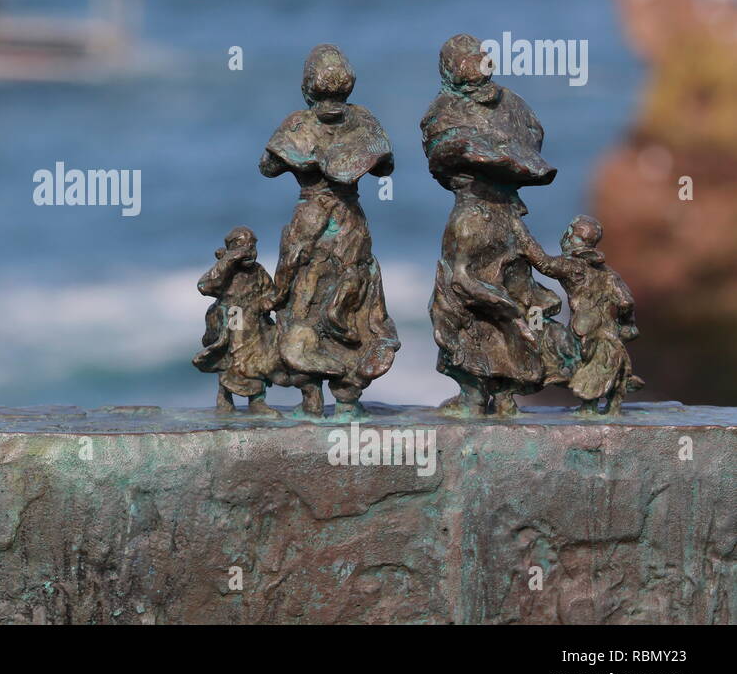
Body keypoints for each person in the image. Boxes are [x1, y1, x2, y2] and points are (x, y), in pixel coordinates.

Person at [421, 34, 575, 416]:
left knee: (458, 298)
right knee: (510, 289)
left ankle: (479, 394)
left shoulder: (447, 108)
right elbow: (532, 143)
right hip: (507, 216)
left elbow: (439, 159)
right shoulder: (512, 105)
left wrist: (480, 156)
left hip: (473, 214)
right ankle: (505, 393)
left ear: (448, 69)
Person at [260, 44, 400, 418]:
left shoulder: (299, 124)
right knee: (353, 298)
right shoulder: (364, 120)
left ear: (308, 87)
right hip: (350, 221)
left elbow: (268, 167)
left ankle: (311, 399)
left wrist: (306, 156)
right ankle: (349, 400)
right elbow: (385, 167)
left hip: (310, 217)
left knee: (299, 300)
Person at [538, 215, 644, 414]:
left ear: (570, 237)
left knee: (555, 343)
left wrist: (522, 239)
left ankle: (588, 408)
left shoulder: (572, 267)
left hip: (584, 328)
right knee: (603, 364)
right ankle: (607, 408)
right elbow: (625, 301)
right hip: (608, 329)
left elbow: (543, 264)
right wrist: (626, 323)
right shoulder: (608, 274)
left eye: (568, 233)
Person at [193, 227, 287, 416]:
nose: (249, 250)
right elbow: (204, 286)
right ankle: (225, 398)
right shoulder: (225, 270)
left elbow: (270, 292)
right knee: (233, 355)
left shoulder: (258, 271)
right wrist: (228, 260)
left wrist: (268, 301)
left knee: (261, 358)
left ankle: (257, 400)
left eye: (252, 245)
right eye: (243, 246)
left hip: (256, 321)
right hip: (232, 317)